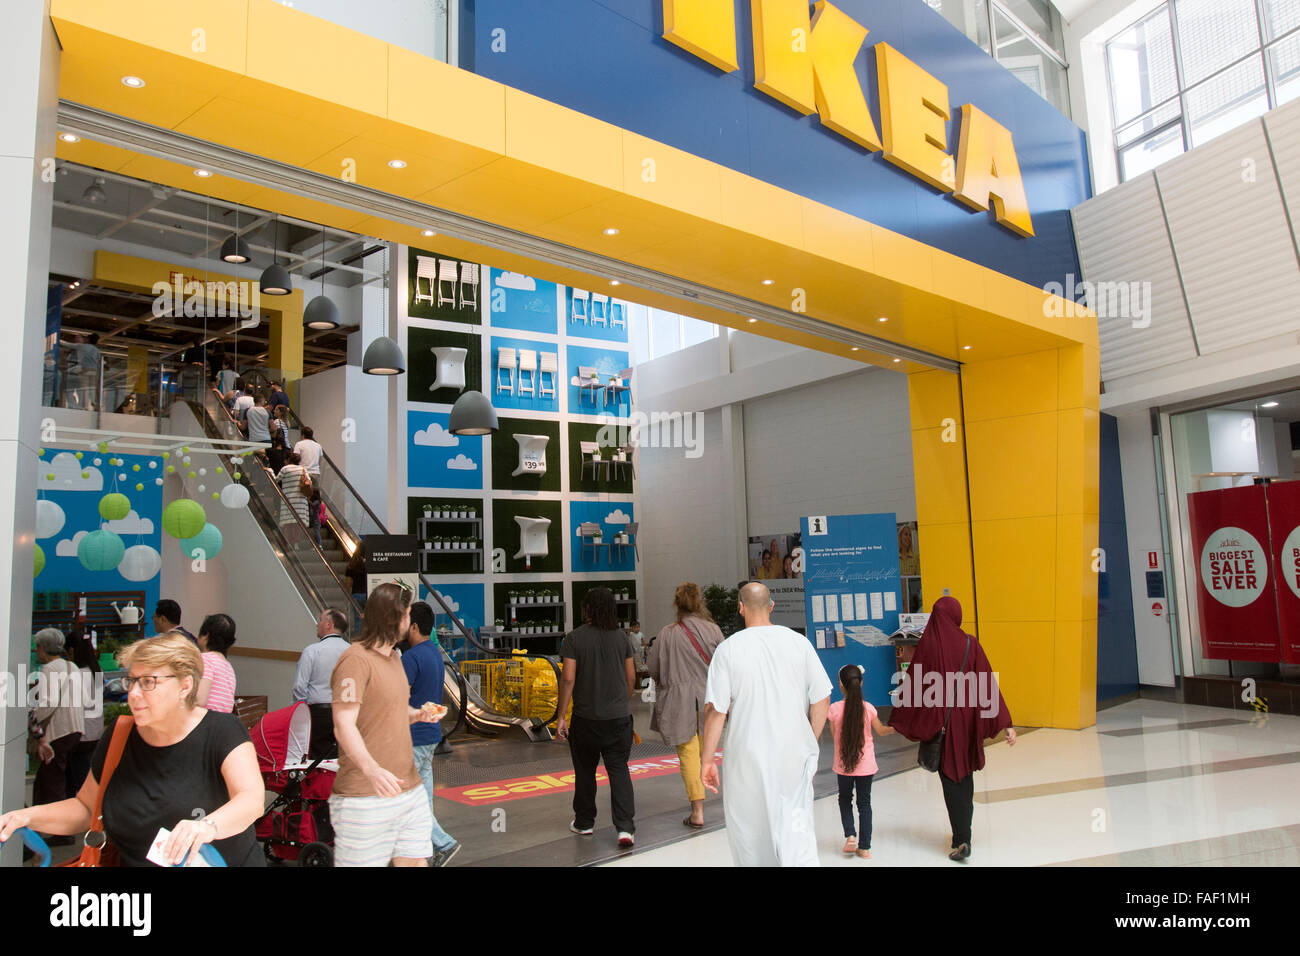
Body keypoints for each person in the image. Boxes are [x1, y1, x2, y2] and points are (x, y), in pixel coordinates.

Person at [0, 634, 266, 866]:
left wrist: (206, 826)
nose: (134, 693)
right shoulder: (120, 735)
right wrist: (24, 816)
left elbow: (251, 800)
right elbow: (84, 808)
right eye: (132, 681)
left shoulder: (222, 731)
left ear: (185, 685)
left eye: (149, 682)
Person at [700, 582, 831, 867]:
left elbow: (716, 711)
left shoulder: (728, 649)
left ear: (740, 607)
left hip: (746, 757)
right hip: (793, 754)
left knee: (749, 832)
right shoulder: (799, 643)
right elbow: (822, 697)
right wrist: (809, 738)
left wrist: (707, 759)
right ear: (772, 606)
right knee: (797, 831)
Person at [887, 596, 1015, 862]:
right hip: (966, 725)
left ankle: (961, 839)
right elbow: (986, 685)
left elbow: (915, 688)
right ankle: (963, 834)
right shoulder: (971, 644)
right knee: (964, 778)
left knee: (951, 781)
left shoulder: (928, 647)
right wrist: (1005, 723)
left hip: (941, 727)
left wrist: (898, 719)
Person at [330, 584, 442, 867]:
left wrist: (418, 715)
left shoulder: (394, 657)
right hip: (364, 796)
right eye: (406, 612)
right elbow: (343, 724)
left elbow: (390, 709)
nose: (409, 619)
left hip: (408, 788)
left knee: (417, 862)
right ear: (396, 617)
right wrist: (372, 769)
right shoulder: (354, 660)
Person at [556, 587, 637, 848]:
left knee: (585, 771)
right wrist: (621, 702)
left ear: (587, 609)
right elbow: (631, 678)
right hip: (618, 719)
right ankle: (625, 829)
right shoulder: (622, 638)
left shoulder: (574, 639)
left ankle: (584, 822)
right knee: (619, 770)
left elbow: (568, 678)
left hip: (585, 719)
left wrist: (561, 717)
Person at [647, 583, 725, 828]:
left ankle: (697, 811)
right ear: (699, 602)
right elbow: (725, 665)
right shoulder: (713, 631)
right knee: (706, 751)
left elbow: (653, 669)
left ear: (676, 604)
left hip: (678, 703)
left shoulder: (666, 634)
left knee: (688, 755)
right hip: (709, 700)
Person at [401, 601, 460, 867]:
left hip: (412, 737)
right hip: (430, 736)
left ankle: (443, 843)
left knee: (410, 802)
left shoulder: (410, 658)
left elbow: (397, 697)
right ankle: (423, 851)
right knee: (423, 797)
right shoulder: (435, 653)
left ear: (413, 626)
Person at [825, 664, 894, 859]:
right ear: (861, 683)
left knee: (845, 799)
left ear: (841, 686)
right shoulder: (869, 709)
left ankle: (850, 836)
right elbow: (881, 731)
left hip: (843, 765)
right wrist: (897, 727)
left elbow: (833, 735)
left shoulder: (835, 709)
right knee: (865, 804)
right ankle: (865, 848)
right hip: (866, 766)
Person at [30, 629, 84, 809]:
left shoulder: (49, 668)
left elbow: (49, 702)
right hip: (75, 729)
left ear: (43, 648)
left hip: (59, 730)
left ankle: (58, 832)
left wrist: (32, 717)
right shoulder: (72, 666)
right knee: (55, 777)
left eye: (37, 647)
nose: (36, 651)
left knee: (52, 782)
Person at [292, 608, 350, 760]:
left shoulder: (312, 651)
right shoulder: (352, 651)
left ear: (329, 624)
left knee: (317, 761)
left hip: (319, 714)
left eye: (320, 620)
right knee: (342, 758)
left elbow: (299, 687)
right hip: (347, 711)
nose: (317, 624)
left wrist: (302, 712)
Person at [66, 630, 104, 798]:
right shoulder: (96, 669)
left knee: (77, 781)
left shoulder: (76, 675)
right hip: (95, 731)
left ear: (72, 650)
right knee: (86, 776)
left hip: (80, 734)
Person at [195, 615, 237, 714]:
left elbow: (200, 701)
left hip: (206, 720)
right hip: (223, 721)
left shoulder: (205, 659)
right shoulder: (227, 665)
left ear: (206, 636)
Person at [294, 425, 324, 548]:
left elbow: (295, 458)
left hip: (303, 474)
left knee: (301, 502)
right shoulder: (318, 446)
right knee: (314, 503)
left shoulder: (299, 444)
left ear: (302, 434)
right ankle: (317, 538)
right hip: (315, 474)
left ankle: (299, 539)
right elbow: (320, 460)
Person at [278, 450, 311, 541]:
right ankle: (296, 543)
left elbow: (276, 480)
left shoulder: (285, 469)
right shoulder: (303, 469)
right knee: (298, 524)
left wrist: (270, 471)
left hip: (288, 500)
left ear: (289, 460)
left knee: (288, 523)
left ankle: (288, 542)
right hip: (300, 501)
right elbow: (309, 482)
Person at [346, 542, 368, 634]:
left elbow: (348, 583)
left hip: (356, 595)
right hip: (369, 594)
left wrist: (348, 596)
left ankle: (358, 643)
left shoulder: (352, 564)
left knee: (358, 621)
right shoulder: (370, 563)